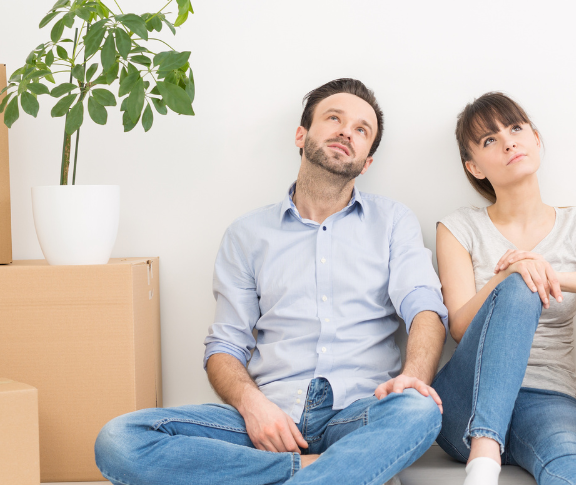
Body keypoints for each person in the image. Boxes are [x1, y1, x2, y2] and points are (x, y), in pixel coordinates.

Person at [95, 78, 449, 485]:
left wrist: (414, 381)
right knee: (120, 439)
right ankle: (326, 471)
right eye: (334, 118)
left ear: (367, 161)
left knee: (419, 409)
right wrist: (252, 405)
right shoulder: (247, 234)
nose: (346, 132)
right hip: (269, 418)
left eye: (361, 129)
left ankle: (329, 468)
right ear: (302, 135)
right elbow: (225, 347)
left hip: (361, 414)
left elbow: (424, 308)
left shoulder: (393, 221)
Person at [431, 92, 576, 485]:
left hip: (549, 398)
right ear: (473, 167)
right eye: (490, 140)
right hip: (466, 402)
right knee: (521, 280)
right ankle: (484, 450)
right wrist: (509, 276)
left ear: (536, 139)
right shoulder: (459, 227)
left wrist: (555, 276)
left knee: (564, 451)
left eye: (516, 128)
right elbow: (457, 326)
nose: (508, 141)